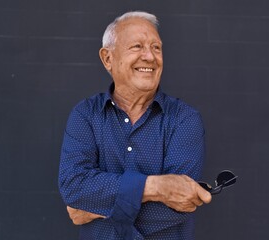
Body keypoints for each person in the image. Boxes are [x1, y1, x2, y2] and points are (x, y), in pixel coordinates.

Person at [58, 11, 212, 239]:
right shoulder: (86, 115)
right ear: (107, 59)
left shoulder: (184, 119)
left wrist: (91, 208)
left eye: (156, 48)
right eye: (137, 46)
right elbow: (74, 186)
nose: (150, 56)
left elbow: (178, 205)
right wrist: (156, 187)